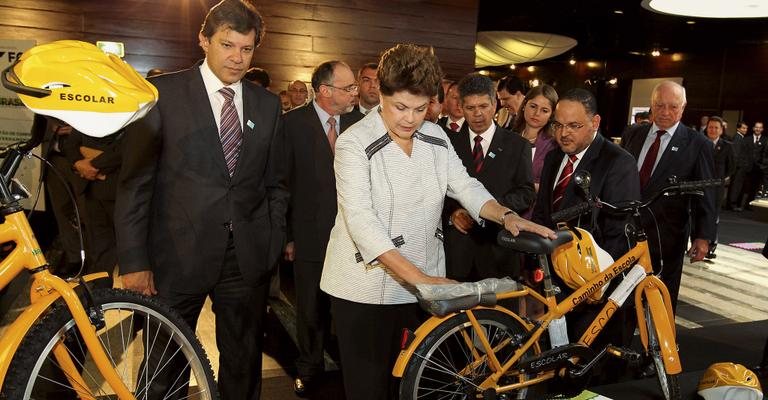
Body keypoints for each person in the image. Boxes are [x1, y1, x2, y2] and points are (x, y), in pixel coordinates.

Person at [318, 43, 555, 400]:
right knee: (369, 388)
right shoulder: (354, 143)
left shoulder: (436, 137)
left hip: (423, 281)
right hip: (366, 287)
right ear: (380, 94)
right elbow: (362, 222)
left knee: (419, 385)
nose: (410, 119)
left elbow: (465, 186)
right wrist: (423, 280)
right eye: (399, 107)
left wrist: (505, 216)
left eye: (419, 108)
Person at [115, 1, 288, 399]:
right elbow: (135, 184)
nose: (237, 58)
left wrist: (271, 241)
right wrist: (135, 262)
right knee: (164, 365)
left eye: (246, 49)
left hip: (245, 259)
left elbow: (276, 183)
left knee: (244, 364)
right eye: (227, 45)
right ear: (204, 40)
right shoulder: (162, 95)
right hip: (177, 255)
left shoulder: (267, 104)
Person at [532, 87, 641, 374]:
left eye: (574, 126)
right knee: (555, 364)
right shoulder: (555, 157)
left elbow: (618, 234)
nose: (563, 133)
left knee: (588, 368)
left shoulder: (618, 162)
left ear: (595, 123)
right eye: (558, 125)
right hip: (555, 281)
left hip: (595, 286)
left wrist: (590, 281)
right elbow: (544, 213)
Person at [282, 60, 364, 395]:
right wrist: (287, 236)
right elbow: (281, 183)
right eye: (348, 88)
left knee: (348, 308)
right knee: (310, 309)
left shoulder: (361, 123)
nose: (354, 93)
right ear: (325, 91)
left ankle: (352, 368)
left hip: (354, 236)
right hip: (309, 234)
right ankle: (309, 366)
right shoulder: (291, 124)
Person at [621, 81, 716, 310]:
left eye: (673, 107)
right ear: (651, 105)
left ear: (683, 108)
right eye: (659, 105)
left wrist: (703, 236)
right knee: (622, 297)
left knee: (659, 301)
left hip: (667, 236)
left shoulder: (697, 143)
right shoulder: (633, 134)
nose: (665, 112)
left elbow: (706, 193)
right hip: (624, 232)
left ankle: (659, 346)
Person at [443, 73, 534, 281]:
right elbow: (436, 191)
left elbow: (526, 192)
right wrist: (453, 212)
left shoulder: (517, 145)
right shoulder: (448, 144)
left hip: (499, 251)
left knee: (501, 314)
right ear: (460, 107)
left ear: (495, 104)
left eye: (483, 106)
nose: (478, 114)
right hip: (457, 253)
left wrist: (489, 209)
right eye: (470, 108)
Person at [63, 127, 125, 287]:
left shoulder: (132, 108)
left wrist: (93, 165)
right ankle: (100, 299)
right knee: (99, 252)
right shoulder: (88, 111)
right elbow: (70, 144)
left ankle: (140, 306)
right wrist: (78, 163)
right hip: (92, 190)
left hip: (123, 190)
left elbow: (130, 148)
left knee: (131, 255)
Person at [509, 84, 559, 201]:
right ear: (524, 104)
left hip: (535, 212)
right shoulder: (509, 137)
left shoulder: (555, 146)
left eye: (544, 110)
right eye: (533, 106)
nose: (537, 113)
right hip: (503, 206)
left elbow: (554, 189)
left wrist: (522, 185)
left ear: (551, 115)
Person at [703, 116, 735, 258]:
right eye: (710, 127)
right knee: (695, 215)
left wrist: (721, 179)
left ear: (721, 130)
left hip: (716, 189)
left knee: (713, 217)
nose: (713, 130)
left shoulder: (727, 146)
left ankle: (710, 246)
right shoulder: (700, 143)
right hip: (699, 186)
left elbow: (732, 167)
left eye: (716, 127)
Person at [728, 121, 750, 210]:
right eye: (743, 128)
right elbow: (735, 154)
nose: (745, 130)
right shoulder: (737, 138)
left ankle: (732, 203)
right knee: (736, 186)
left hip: (740, 166)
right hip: (738, 167)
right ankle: (732, 204)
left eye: (746, 128)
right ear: (738, 128)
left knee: (737, 185)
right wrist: (736, 167)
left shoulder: (740, 137)